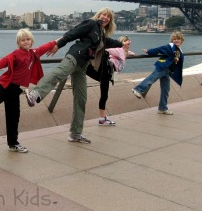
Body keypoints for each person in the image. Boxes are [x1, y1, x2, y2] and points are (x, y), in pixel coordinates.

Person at [25, 8, 128, 144]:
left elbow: (107, 42)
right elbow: (72, 33)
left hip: (82, 66)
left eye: (108, 16)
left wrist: (122, 44)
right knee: (59, 73)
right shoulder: (91, 24)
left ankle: (75, 133)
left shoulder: (101, 34)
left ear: (110, 20)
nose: (105, 17)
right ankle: (35, 94)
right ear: (99, 15)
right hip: (75, 56)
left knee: (81, 98)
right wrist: (58, 45)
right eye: (103, 14)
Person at [131, 31, 185, 115]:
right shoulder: (170, 46)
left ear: (181, 40)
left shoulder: (179, 50)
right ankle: (138, 89)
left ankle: (163, 108)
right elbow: (159, 49)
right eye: (174, 39)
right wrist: (149, 51)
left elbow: (176, 61)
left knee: (166, 90)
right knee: (151, 79)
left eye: (178, 39)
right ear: (172, 40)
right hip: (162, 67)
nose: (176, 40)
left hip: (167, 71)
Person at [86, 35, 135, 125]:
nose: (128, 44)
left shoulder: (123, 51)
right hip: (106, 71)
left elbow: (125, 53)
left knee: (104, 95)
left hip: (107, 73)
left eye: (129, 42)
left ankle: (102, 118)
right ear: (121, 43)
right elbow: (107, 49)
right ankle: (102, 118)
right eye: (126, 42)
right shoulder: (119, 50)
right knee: (104, 95)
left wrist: (130, 52)